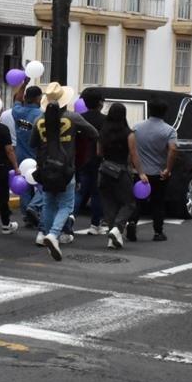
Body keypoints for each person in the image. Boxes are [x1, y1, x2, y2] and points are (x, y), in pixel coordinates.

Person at [31, 83, 98, 262]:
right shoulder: (72, 117)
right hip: (66, 167)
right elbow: (93, 133)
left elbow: (33, 143)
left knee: (49, 203)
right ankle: (53, 234)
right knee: (66, 206)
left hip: (45, 168)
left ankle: (44, 232)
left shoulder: (39, 121)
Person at [97, 103, 148, 249]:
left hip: (104, 170)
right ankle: (117, 229)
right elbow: (134, 155)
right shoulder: (129, 133)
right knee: (129, 203)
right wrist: (141, 172)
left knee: (109, 204)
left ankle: (113, 238)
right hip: (121, 171)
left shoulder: (103, 131)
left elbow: (98, 153)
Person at [133, 97, 177, 242]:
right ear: (164, 113)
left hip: (140, 172)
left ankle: (131, 226)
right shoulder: (169, 130)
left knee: (137, 201)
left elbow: (132, 150)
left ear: (149, 110)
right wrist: (168, 169)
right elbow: (172, 149)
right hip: (159, 173)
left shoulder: (137, 127)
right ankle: (158, 232)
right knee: (158, 203)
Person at [68, 92, 107, 238]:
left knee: (79, 191)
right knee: (97, 193)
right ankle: (95, 224)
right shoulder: (105, 120)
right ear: (100, 103)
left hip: (81, 159)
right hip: (98, 160)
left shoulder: (79, 118)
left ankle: (71, 217)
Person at [13, 85, 45, 234]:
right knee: (41, 184)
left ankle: (26, 215)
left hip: (20, 154)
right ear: (38, 98)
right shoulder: (40, 115)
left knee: (24, 186)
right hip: (36, 154)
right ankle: (35, 207)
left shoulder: (17, 112)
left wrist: (23, 84)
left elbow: (17, 98)